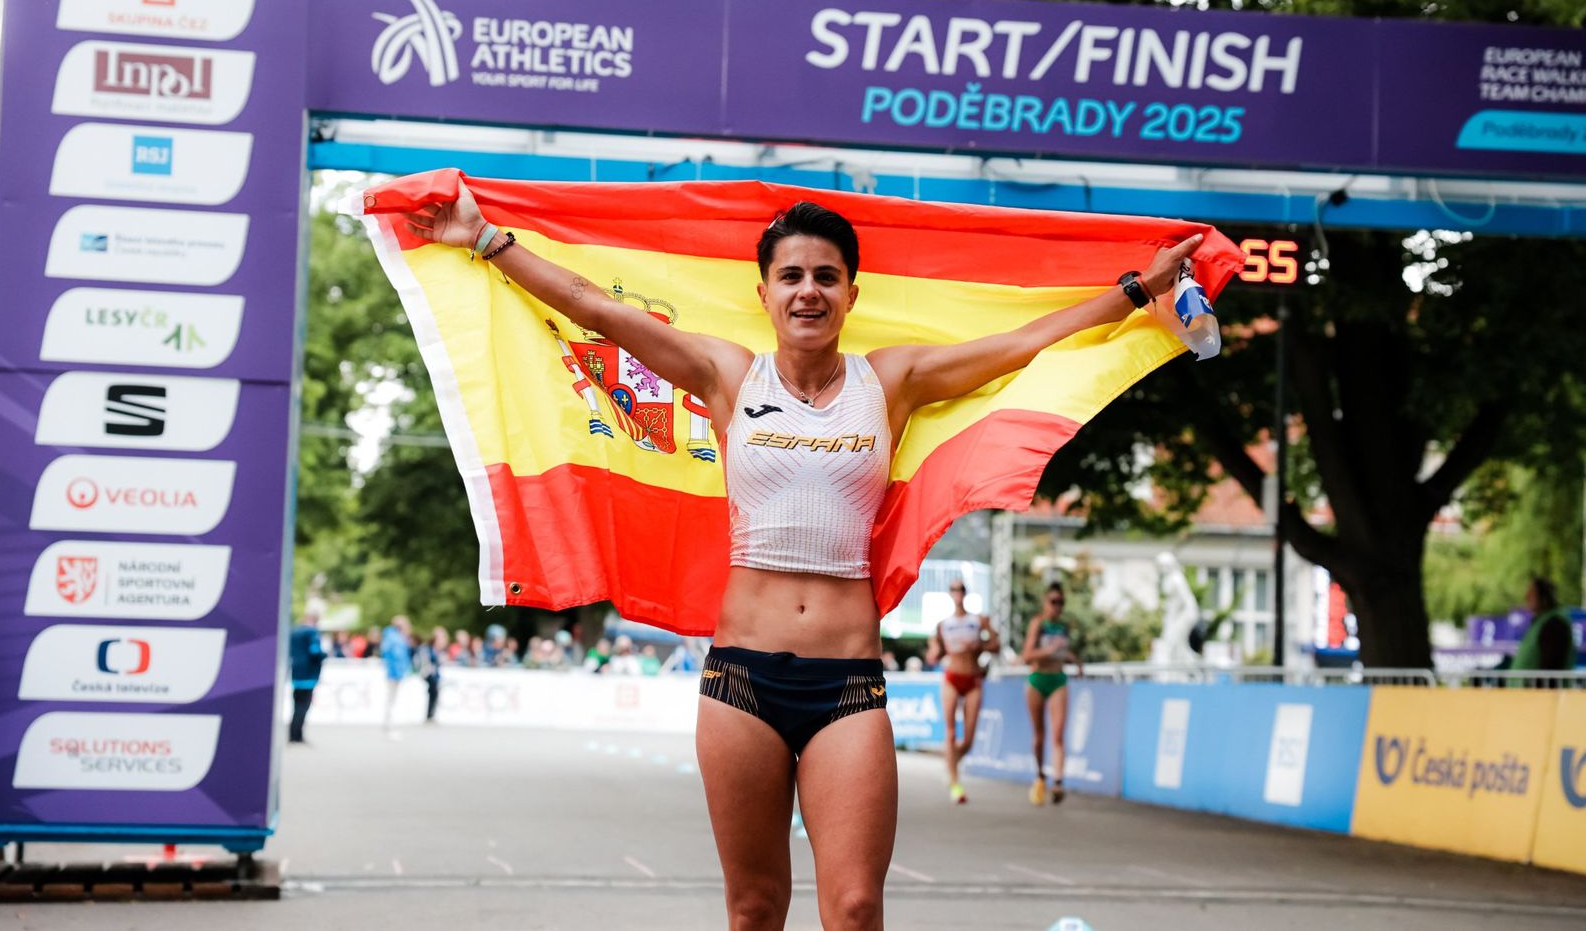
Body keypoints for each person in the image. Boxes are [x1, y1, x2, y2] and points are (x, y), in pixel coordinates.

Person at [407, 183, 1198, 929]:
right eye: (791, 276)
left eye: (826, 275)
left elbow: (1025, 341)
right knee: (754, 910)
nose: (808, 290)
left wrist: (1136, 289)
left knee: (854, 909)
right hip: (740, 679)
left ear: (853, 292)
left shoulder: (894, 379)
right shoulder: (727, 374)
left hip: (847, 685)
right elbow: (596, 309)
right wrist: (483, 239)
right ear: (765, 292)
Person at [925, 580, 997, 804]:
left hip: (973, 677)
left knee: (968, 739)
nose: (958, 593)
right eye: (954, 589)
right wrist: (934, 653)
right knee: (950, 732)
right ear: (950, 594)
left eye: (961, 589)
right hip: (952, 678)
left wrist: (979, 647)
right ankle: (955, 783)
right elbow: (934, 653)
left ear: (966, 593)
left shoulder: (978, 620)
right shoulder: (943, 624)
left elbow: (996, 644)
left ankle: (952, 761)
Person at [1022, 583, 1083, 806]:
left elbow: (1063, 650)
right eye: (1053, 601)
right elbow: (1027, 655)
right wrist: (1046, 651)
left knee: (1058, 735)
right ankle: (1040, 775)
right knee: (1039, 735)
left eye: (1061, 602)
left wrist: (1074, 660)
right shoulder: (1038, 624)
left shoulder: (1064, 627)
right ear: (1045, 602)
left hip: (1058, 679)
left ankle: (1058, 781)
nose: (1057, 606)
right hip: (1038, 679)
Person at [1512, 577, 1575, 681]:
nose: (1526, 597)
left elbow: (1551, 666)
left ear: (1544, 598)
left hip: (1539, 695)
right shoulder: (1542, 623)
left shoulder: (1554, 625)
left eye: (1531, 594)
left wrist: (1539, 689)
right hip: (1527, 693)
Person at [288, 611, 326, 744]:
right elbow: (314, 651)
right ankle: (297, 735)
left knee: (296, 705)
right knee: (303, 707)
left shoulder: (294, 632)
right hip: (308, 674)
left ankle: (293, 733)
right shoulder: (312, 633)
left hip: (295, 672)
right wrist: (324, 655)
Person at [380, 615, 413, 737]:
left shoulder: (395, 638)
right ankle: (390, 721)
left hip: (396, 672)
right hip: (395, 673)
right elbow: (396, 657)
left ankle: (389, 721)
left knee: (393, 698)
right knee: (392, 698)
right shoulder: (395, 639)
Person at [419, 625, 448, 723]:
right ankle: (429, 715)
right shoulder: (428, 648)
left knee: (435, 693)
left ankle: (431, 715)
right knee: (433, 692)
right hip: (428, 673)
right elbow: (425, 662)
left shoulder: (440, 650)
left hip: (435, 674)